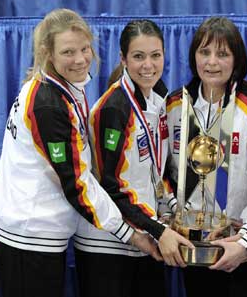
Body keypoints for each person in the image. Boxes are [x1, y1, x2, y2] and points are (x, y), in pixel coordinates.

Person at [0, 9, 155, 297]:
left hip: (32, 236)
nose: (80, 59)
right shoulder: (47, 103)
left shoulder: (62, 87)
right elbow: (76, 184)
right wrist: (132, 235)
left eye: (85, 48)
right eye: (68, 51)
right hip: (28, 239)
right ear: (47, 53)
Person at [165, 17, 247, 297]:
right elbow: (164, 173)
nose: (212, 62)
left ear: (237, 60)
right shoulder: (175, 105)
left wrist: (243, 238)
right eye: (204, 52)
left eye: (222, 54)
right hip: (196, 251)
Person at [73, 19, 193, 297]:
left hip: (145, 237)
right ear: (123, 59)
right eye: (138, 57)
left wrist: (174, 211)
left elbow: (155, 170)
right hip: (107, 245)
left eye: (155, 55)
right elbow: (109, 186)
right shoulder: (114, 109)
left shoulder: (158, 96)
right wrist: (158, 230)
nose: (148, 65)